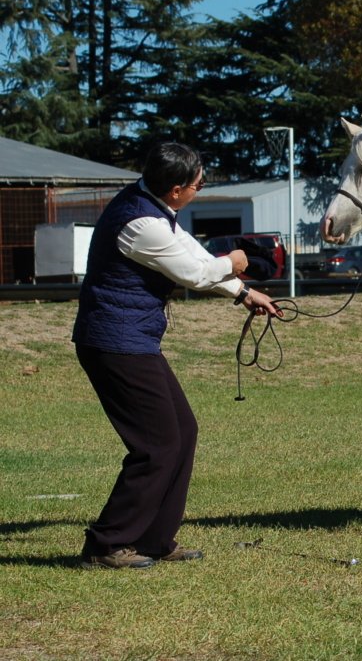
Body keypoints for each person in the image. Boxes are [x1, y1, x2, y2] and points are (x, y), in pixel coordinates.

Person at [72, 142, 281, 569]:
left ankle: (154, 538)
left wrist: (244, 292)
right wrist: (235, 261)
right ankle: (105, 544)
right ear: (176, 189)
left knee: (182, 431)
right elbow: (194, 273)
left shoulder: (153, 207)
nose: (199, 191)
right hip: (115, 343)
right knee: (156, 445)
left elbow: (194, 255)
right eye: (198, 185)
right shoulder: (140, 223)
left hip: (133, 340)